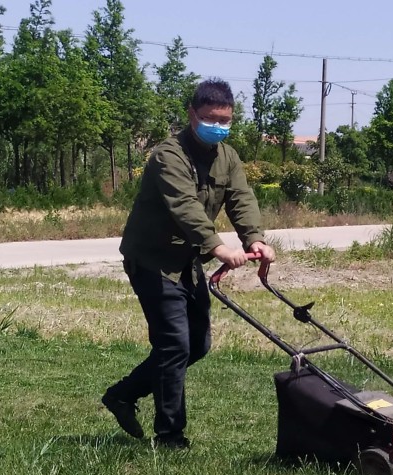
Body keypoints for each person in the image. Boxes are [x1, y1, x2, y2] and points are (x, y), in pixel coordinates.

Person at [101, 79, 275, 449]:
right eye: (211, 119)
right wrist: (217, 246)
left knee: (197, 345)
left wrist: (254, 239)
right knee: (174, 345)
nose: (218, 126)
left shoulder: (227, 156)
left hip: (187, 260)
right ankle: (170, 435)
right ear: (192, 114)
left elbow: (241, 198)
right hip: (153, 259)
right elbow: (184, 206)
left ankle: (122, 395)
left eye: (225, 120)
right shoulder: (169, 155)